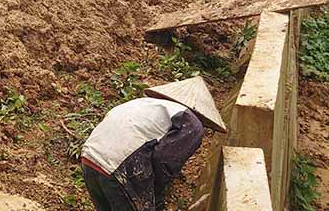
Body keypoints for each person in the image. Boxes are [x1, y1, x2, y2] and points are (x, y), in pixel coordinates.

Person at [80, 76, 226, 211]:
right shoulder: (192, 123)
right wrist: (157, 199)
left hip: (90, 158)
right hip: (120, 166)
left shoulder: (145, 104)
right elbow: (162, 161)